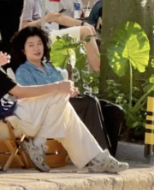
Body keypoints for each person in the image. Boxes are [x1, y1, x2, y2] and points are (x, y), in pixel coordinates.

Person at [0, 13, 126, 175]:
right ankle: (41, 144)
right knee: (59, 95)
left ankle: (96, 158)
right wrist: (57, 86)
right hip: (3, 119)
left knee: (64, 108)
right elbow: (19, 92)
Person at [11, 25, 125, 157]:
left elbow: (64, 87)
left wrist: (72, 90)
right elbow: (28, 97)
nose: (36, 48)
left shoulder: (50, 68)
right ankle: (100, 157)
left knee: (114, 110)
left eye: (39, 44)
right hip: (48, 110)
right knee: (90, 103)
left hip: (67, 102)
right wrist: (59, 91)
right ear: (23, 50)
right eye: (31, 45)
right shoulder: (23, 71)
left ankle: (109, 154)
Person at [20, 0, 99, 70]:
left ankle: (94, 74)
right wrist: (46, 19)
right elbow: (24, 27)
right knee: (86, 32)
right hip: (45, 39)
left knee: (87, 30)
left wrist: (82, 23)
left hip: (50, 34)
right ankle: (99, 76)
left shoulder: (37, 0)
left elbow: (58, 18)